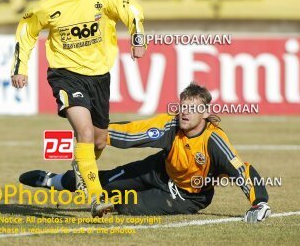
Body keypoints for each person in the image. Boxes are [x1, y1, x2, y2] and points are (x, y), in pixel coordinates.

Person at [10, 0, 146, 217]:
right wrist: (20, 68)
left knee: (97, 141)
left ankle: (80, 168)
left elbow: (131, 10)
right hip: (66, 76)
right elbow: (26, 30)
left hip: (99, 77)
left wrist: (138, 36)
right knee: (83, 132)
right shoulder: (47, 6)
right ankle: (96, 198)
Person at [19, 82, 272, 223]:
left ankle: (112, 203)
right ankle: (53, 180)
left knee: (123, 206)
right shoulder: (171, 124)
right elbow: (135, 132)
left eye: (192, 109)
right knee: (103, 181)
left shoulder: (214, 141)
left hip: (188, 196)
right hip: (159, 170)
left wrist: (259, 202)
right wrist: (99, 134)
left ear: (205, 113)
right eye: (183, 106)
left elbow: (242, 171)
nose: (185, 112)